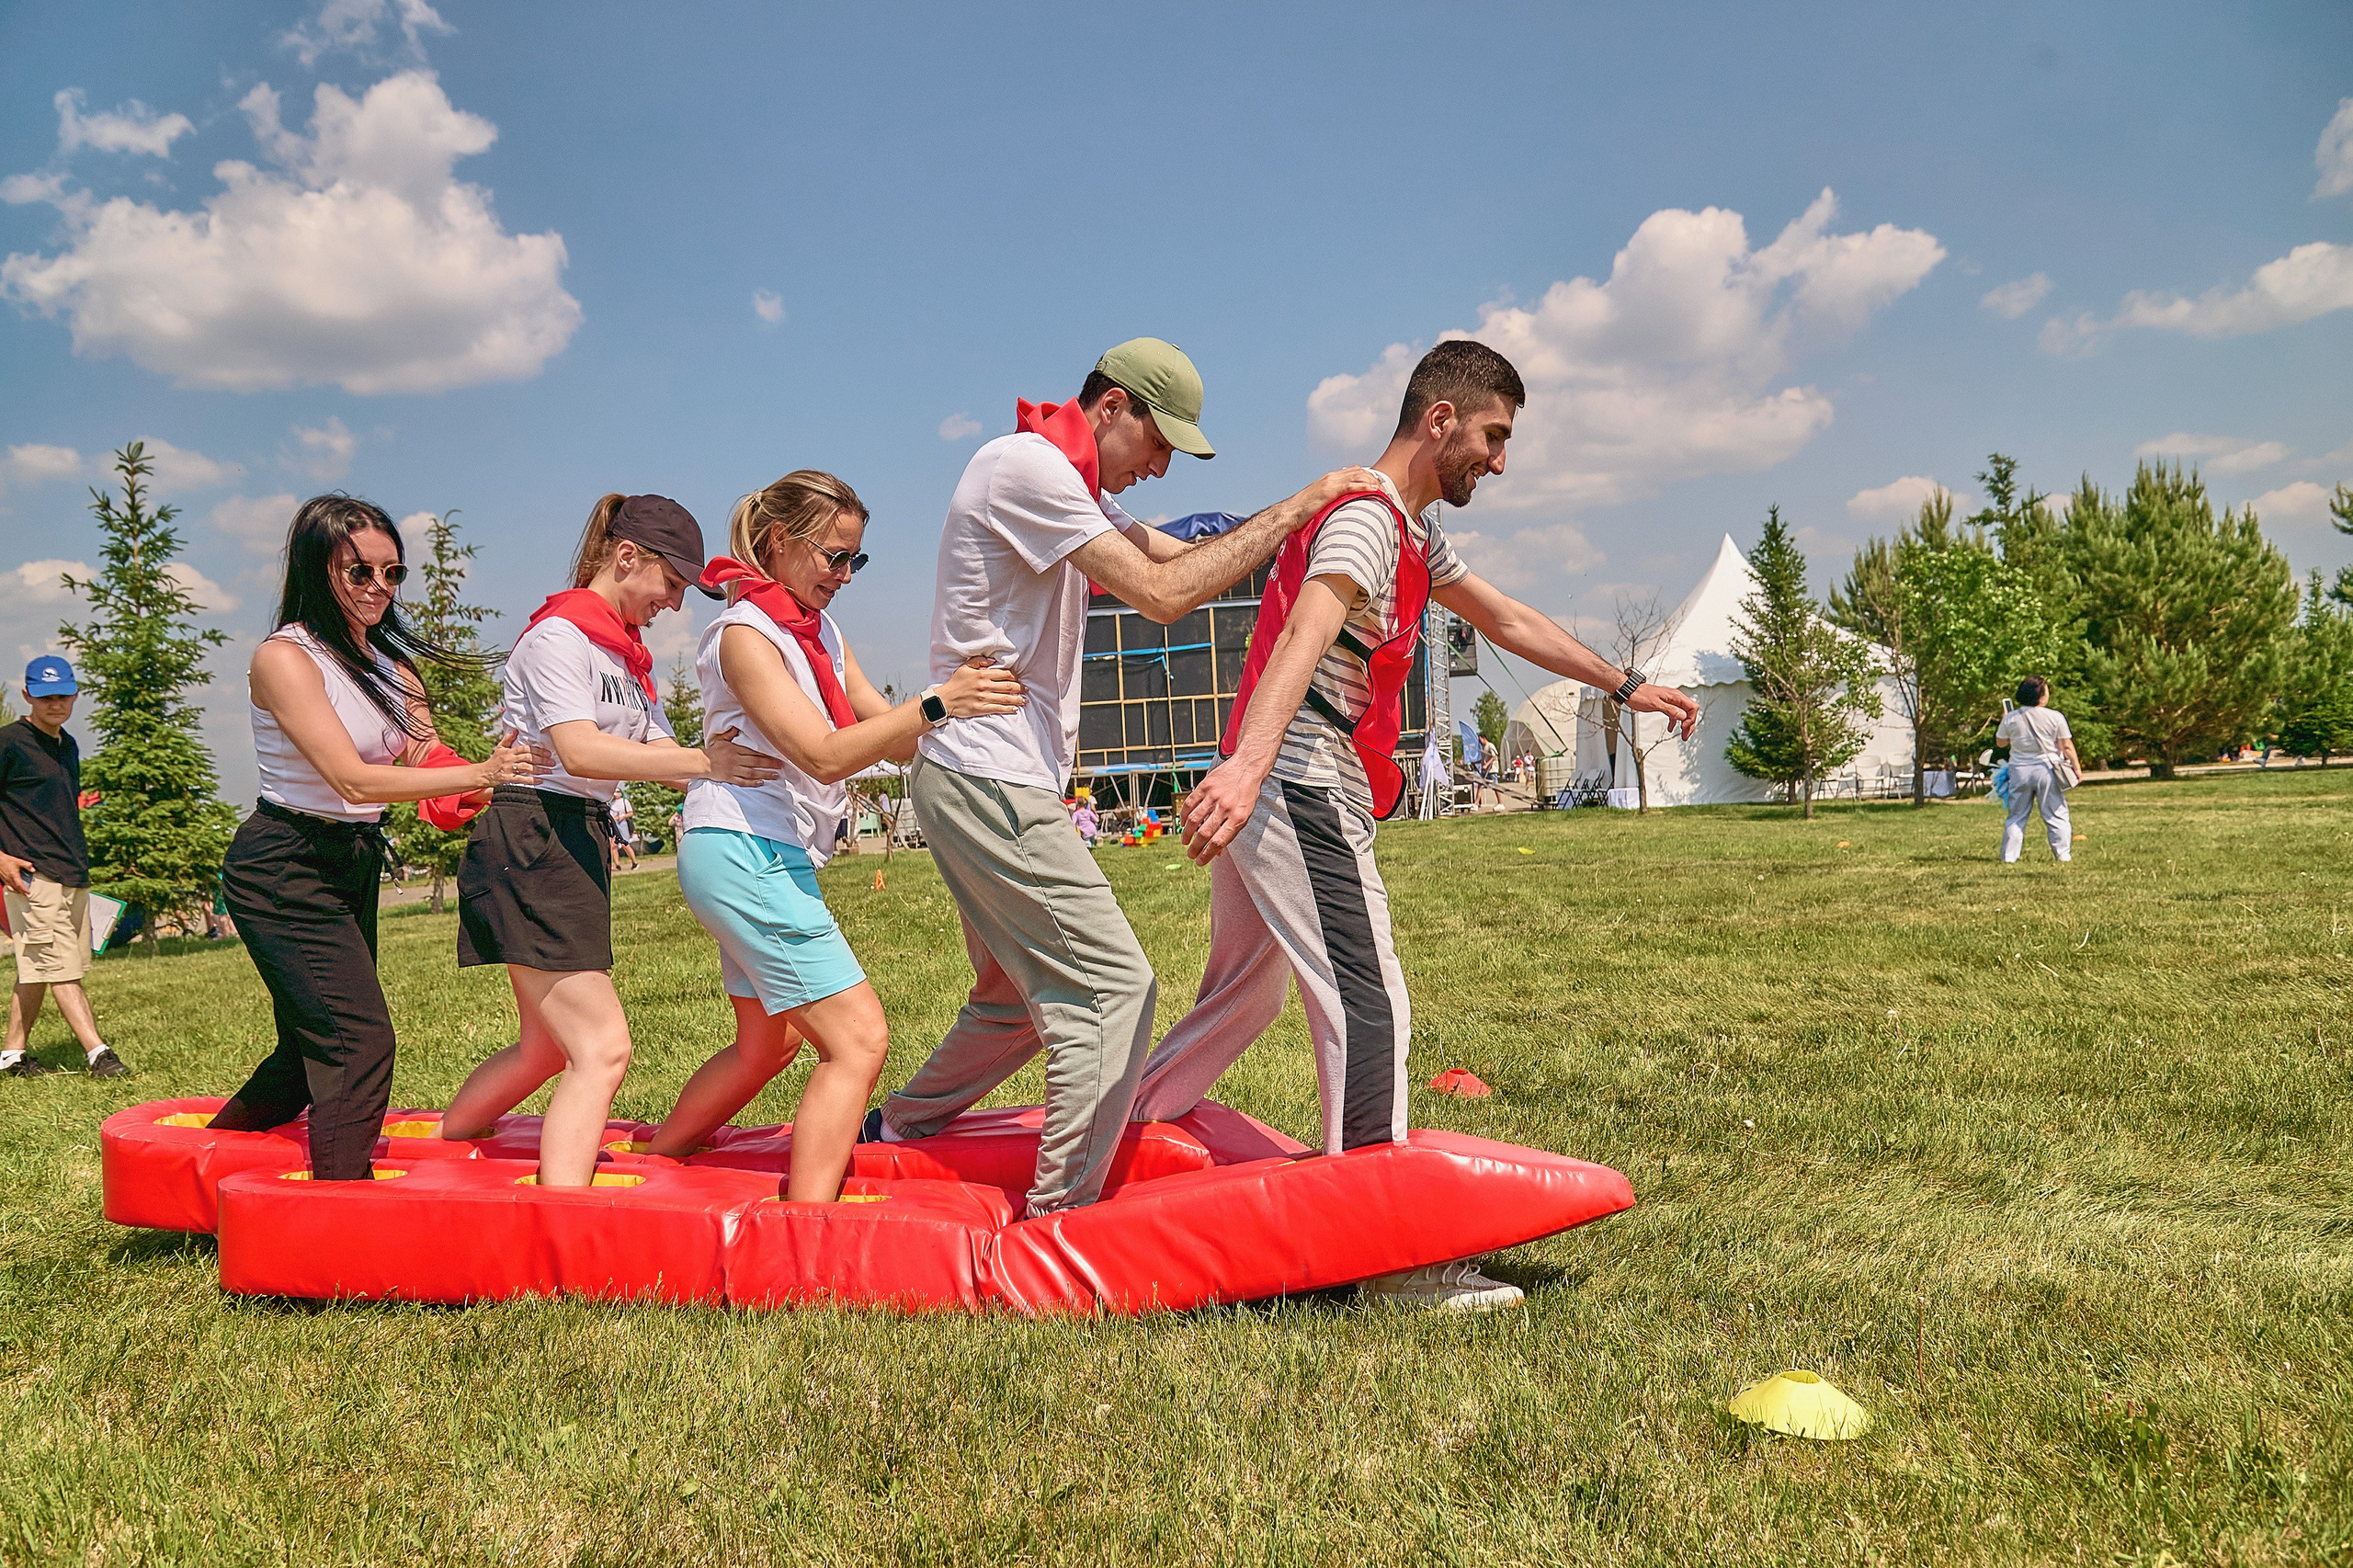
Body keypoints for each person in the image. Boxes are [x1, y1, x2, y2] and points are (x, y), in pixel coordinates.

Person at [1133, 341, 1699, 1310]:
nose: (1500, 460)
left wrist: (1627, 681)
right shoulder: (1365, 523)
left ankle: (1120, 1147)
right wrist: (1249, 763)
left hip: (1284, 776)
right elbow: (1307, 632)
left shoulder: (1412, 534)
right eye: (1493, 435)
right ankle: (1383, 1258)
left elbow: (1506, 617)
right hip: (1299, 778)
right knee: (1369, 1000)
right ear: (1439, 418)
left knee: (1243, 996)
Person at [861, 336, 1384, 1219]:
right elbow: (1160, 593)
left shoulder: (1067, 483)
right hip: (988, 779)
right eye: (1159, 442)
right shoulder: (1024, 467)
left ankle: (896, 1131)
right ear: (1111, 407)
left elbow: (1176, 555)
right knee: (1110, 990)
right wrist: (1306, 502)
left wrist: (1284, 517)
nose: (1163, 465)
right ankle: (1059, 1217)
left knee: (1014, 1003)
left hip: (982, 778)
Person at [638, 471, 1024, 1199]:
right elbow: (819, 752)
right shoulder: (744, 637)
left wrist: (960, 699)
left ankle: (658, 1162)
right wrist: (940, 702)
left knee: (768, 1045)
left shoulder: (820, 633)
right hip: (743, 850)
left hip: (761, 851)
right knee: (857, 1040)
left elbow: (895, 740)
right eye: (833, 556)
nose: (845, 575)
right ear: (779, 542)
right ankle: (805, 1230)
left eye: (856, 560)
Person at [435, 495, 780, 1187]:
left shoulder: (621, 656)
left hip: (572, 837)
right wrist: (704, 761)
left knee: (542, 1049)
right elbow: (581, 751)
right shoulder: (558, 639)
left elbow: (660, 746)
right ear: (627, 557)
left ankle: (447, 1145)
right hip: (532, 834)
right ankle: (561, 1218)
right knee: (601, 1048)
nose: (676, 604)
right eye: (672, 584)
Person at [206, 496, 538, 1176]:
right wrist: (480, 770)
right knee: (356, 1043)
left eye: (393, 573)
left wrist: (480, 783)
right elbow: (352, 780)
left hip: (350, 859)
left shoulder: (392, 667)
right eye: (359, 572)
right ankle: (331, 1228)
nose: (379, 588)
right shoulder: (285, 658)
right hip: (282, 863)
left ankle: (207, 1163)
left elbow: (425, 761)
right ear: (315, 568)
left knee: (309, 1048)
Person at [0, 655, 127, 1079]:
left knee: (37, 968)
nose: (55, 703)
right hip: (31, 877)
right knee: (61, 968)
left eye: (62, 695)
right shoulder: (9, 743)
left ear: (75, 694)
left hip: (71, 872)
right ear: (27, 696)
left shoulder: (67, 744)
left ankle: (12, 1055)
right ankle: (99, 1054)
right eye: (44, 696)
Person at [1996, 676, 2078, 863]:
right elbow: (2066, 746)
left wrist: (2005, 720)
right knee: (2056, 813)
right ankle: (2062, 854)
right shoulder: (2055, 716)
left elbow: (2001, 743)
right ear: (2041, 696)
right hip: (2047, 768)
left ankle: (2009, 856)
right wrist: (2076, 768)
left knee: (2016, 816)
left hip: (2019, 770)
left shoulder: (2011, 718)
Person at [608, 790, 640, 870]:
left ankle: (634, 862)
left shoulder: (624, 801)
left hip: (622, 823)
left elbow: (630, 813)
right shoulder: (611, 802)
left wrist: (622, 817)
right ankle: (617, 865)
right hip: (614, 824)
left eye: (618, 792)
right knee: (613, 845)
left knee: (625, 844)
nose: (615, 793)